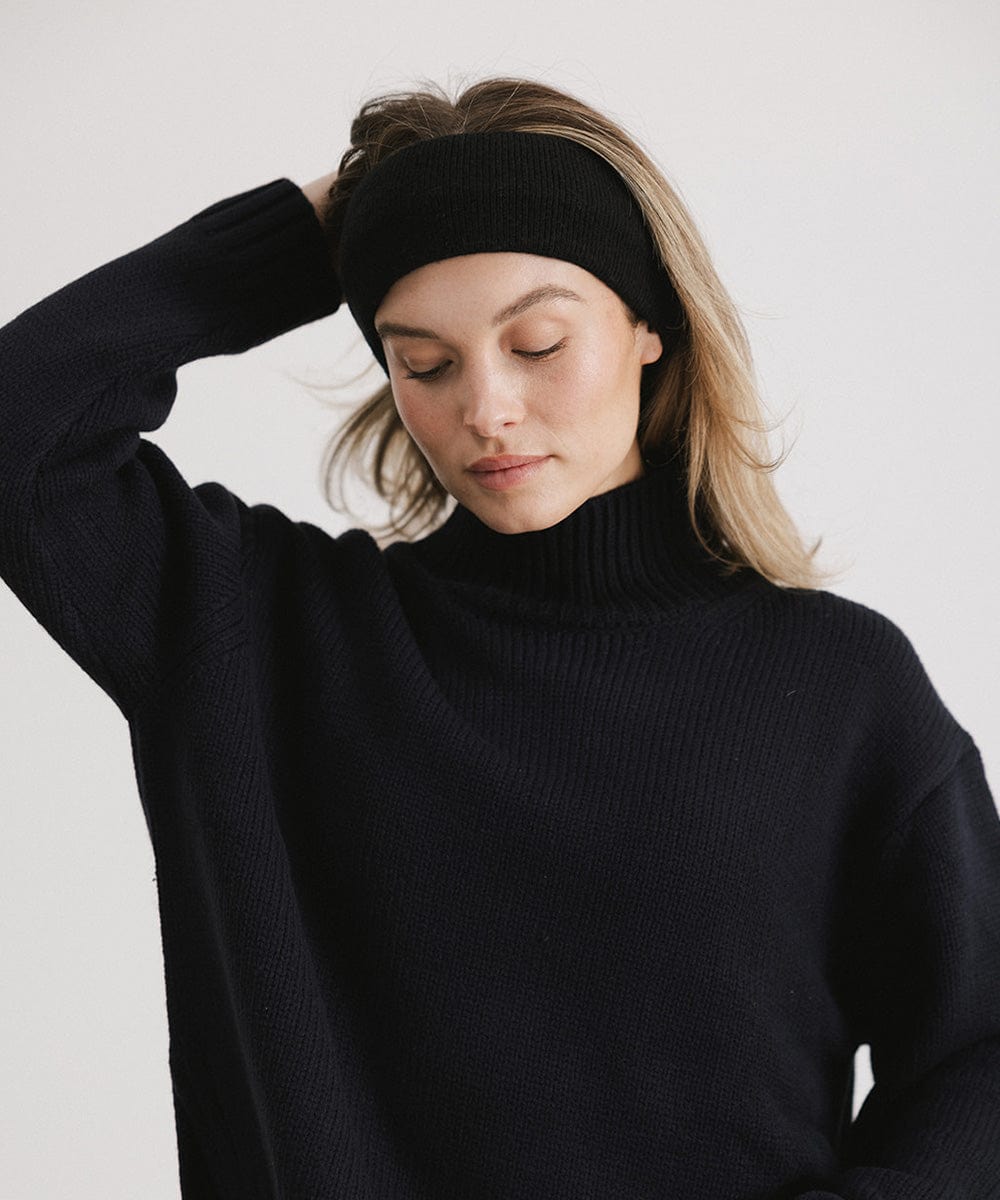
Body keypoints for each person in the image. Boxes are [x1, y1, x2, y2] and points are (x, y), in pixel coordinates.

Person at [0, 75, 997, 1200]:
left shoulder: (835, 684)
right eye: (423, 362)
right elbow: (19, 425)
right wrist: (312, 234)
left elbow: (976, 1053)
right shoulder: (260, 633)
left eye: (537, 342)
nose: (485, 409)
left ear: (651, 326)